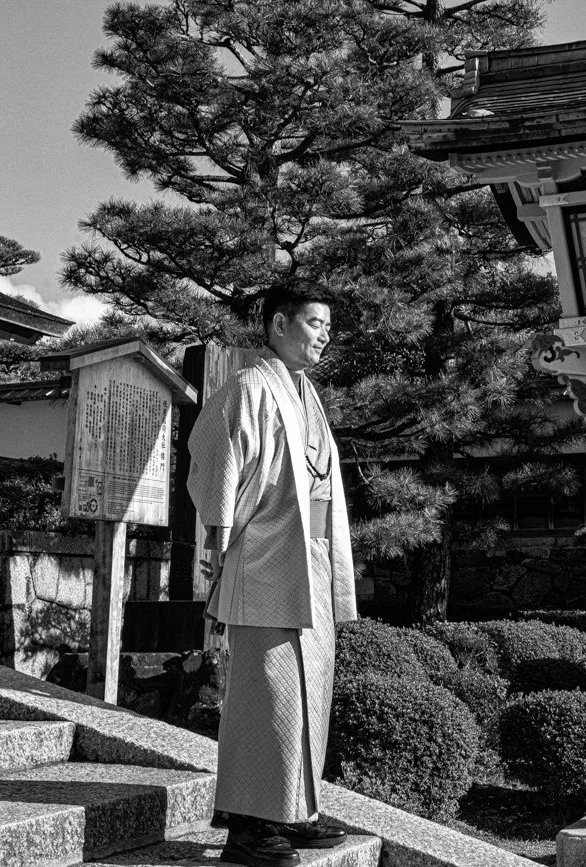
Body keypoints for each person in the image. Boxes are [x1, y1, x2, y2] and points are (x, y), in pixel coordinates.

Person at [187, 285, 357, 867]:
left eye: (327, 325)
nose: (324, 334)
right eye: (315, 322)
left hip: (307, 560)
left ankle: (295, 810)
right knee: (267, 693)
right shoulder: (248, 387)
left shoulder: (306, 392)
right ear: (279, 324)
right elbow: (214, 468)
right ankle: (249, 826)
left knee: (307, 689)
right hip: (264, 560)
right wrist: (223, 548)